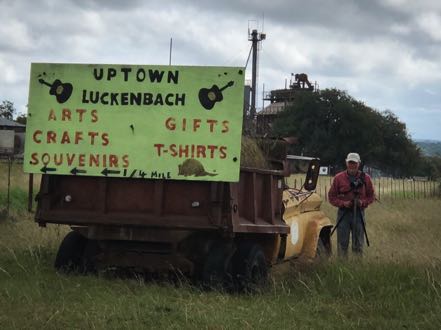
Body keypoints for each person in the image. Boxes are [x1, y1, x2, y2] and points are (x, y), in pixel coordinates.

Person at [328, 153, 375, 256]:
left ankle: (357, 267)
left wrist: (362, 202)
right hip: (343, 214)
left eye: (354, 163)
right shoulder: (338, 178)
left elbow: (371, 196)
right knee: (342, 244)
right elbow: (331, 197)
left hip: (359, 214)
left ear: (359, 164)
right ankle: (341, 267)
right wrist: (343, 203)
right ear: (346, 163)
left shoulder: (366, 178)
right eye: (350, 162)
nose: (352, 165)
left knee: (358, 245)